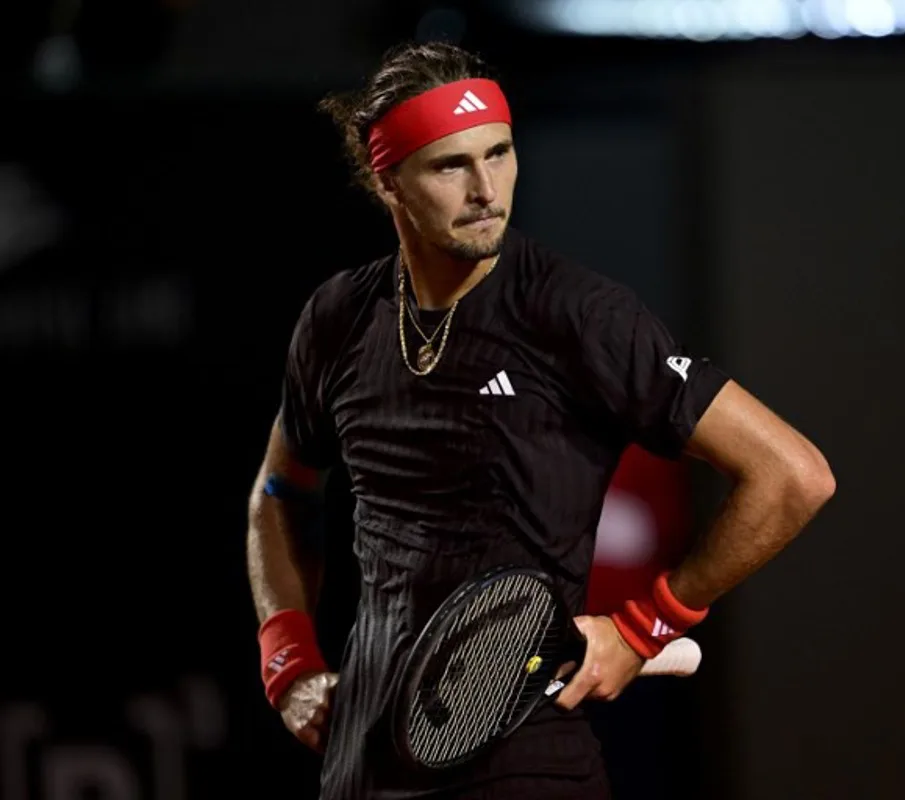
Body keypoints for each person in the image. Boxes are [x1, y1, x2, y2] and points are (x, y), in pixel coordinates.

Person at [245, 40, 836, 800]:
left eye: (499, 152)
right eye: (451, 165)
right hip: (361, 763)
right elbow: (279, 495)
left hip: (523, 764)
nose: (486, 187)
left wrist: (644, 624)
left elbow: (794, 476)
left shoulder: (578, 314)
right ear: (388, 179)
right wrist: (288, 659)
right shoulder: (337, 319)